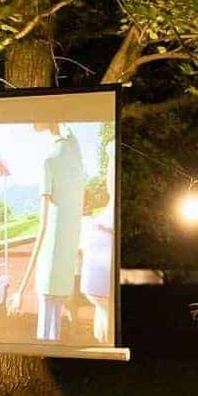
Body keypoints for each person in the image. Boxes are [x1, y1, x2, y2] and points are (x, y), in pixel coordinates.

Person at [8, 123, 85, 341]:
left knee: (45, 334)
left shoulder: (48, 161)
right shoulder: (75, 152)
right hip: (66, 264)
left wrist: (20, 291)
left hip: (50, 263)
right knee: (55, 330)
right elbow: (69, 130)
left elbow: (43, 227)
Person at [79, 145, 115, 343]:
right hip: (99, 261)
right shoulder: (98, 218)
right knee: (104, 311)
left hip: (98, 260)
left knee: (103, 312)